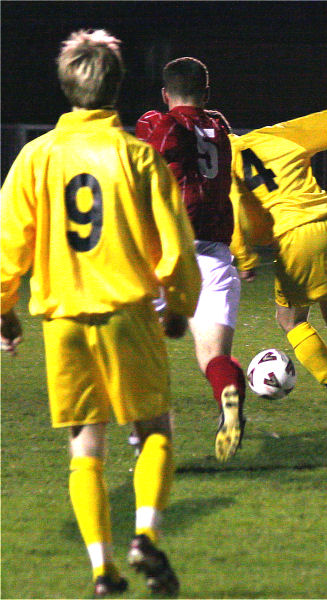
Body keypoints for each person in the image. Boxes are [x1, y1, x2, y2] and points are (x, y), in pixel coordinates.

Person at [1, 29, 201, 598]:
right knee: (154, 428)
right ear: (118, 86)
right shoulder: (136, 155)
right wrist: (180, 305)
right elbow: (175, 243)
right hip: (127, 313)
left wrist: (4, 309)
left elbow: (8, 243)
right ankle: (145, 535)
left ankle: (101, 570)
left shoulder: (35, 156)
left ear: (67, 86)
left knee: (84, 446)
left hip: (63, 321)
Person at [229, 107, 327, 429]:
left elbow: (235, 215)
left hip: (296, 234)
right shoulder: (274, 135)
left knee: (290, 320)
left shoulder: (226, 162)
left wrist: (245, 258)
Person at [136, 57, 248, 462]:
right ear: (207, 92)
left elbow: (151, 147)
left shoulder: (157, 122)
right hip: (216, 256)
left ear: (166, 95)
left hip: (166, 254)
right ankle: (228, 399)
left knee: (140, 351)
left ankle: (145, 444)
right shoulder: (219, 127)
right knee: (214, 357)